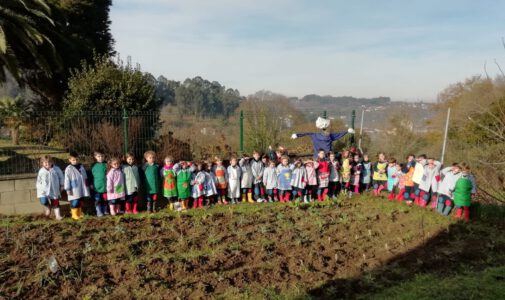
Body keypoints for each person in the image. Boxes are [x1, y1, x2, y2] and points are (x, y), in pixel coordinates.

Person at [36, 155, 64, 220]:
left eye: (49, 162)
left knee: (55, 202)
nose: (47, 164)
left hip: (54, 189)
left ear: (52, 162)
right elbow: (38, 180)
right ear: (42, 163)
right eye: (45, 162)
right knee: (43, 201)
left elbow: (61, 177)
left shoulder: (56, 169)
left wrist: (62, 185)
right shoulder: (41, 171)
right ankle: (48, 207)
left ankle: (58, 216)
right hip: (43, 190)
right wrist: (39, 187)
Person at [64, 151, 90, 220]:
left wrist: (87, 184)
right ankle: (74, 214)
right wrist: (68, 188)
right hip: (73, 188)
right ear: (69, 160)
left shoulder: (81, 167)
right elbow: (66, 179)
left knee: (80, 201)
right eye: (73, 160)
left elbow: (85, 176)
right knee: (75, 201)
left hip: (81, 187)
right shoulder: (68, 169)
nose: (75, 161)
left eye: (77, 159)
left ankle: (79, 213)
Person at [91, 151, 108, 217]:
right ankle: (99, 211)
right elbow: (90, 176)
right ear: (95, 157)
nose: (100, 158)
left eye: (102, 156)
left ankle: (105, 210)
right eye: (99, 156)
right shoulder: (93, 166)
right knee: (98, 199)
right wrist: (91, 184)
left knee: (105, 199)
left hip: (105, 186)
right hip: (97, 186)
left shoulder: (106, 165)